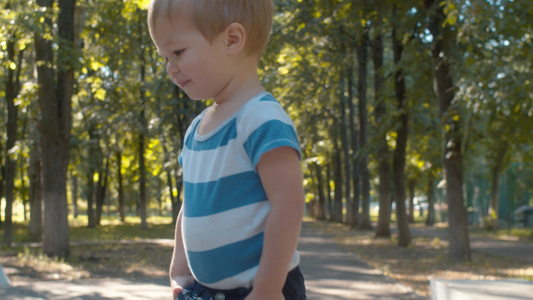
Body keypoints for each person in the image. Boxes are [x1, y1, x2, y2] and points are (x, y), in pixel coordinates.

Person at [147, 1, 307, 299]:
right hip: (205, 290)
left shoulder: (260, 118)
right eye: (164, 57)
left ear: (232, 39)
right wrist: (178, 269)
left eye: (178, 52)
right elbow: (192, 204)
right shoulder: (197, 129)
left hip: (259, 290)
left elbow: (289, 206)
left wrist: (267, 289)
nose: (170, 68)